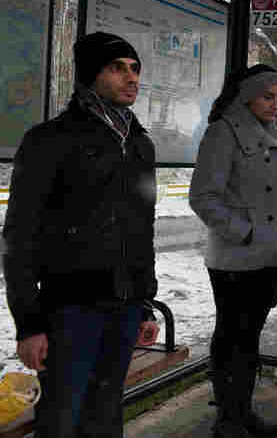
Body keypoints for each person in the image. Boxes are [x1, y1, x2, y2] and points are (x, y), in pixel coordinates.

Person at [2, 31, 160, 437]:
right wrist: (29, 323)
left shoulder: (140, 143)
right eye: (117, 68)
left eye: (135, 69)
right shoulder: (51, 140)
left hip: (125, 308)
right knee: (62, 418)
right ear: (91, 75)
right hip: (70, 309)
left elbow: (142, 229)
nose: (131, 78)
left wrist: (143, 303)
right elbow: (19, 236)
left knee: (106, 416)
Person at [190, 64, 277, 438]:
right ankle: (228, 419)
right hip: (236, 259)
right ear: (247, 95)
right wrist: (246, 232)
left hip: (270, 257)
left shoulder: (271, 130)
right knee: (232, 337)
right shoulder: (223, 132)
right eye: (267, 96)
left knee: (249, 339)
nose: (274, 104)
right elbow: (202, 197)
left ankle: (242, 411)